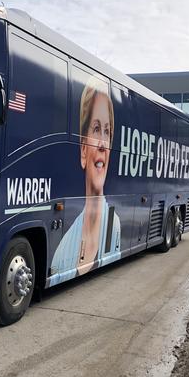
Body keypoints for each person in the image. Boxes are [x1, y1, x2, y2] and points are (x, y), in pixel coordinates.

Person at [50, 77, 121, 284]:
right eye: (96, 129)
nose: (102, 144)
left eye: (107, 132)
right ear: (82, 149)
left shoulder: (114, 226)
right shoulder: (62, 253)